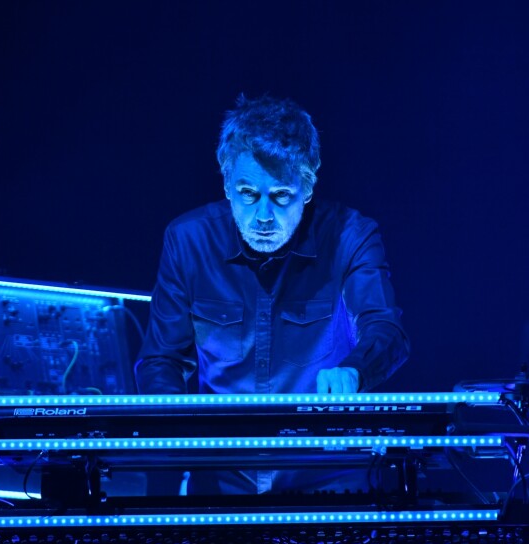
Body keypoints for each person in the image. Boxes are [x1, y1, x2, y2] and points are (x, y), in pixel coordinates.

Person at [135, 95, 409, 494]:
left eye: (281, 196)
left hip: (329, 481)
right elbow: (162, 359)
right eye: (248, 194)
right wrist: (179, 432)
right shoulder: (188, 240)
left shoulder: (352, 235)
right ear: (227, 185)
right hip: (220, 483)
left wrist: (354, 370)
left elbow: (386, 330)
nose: (263, 216)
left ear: (308, 188)